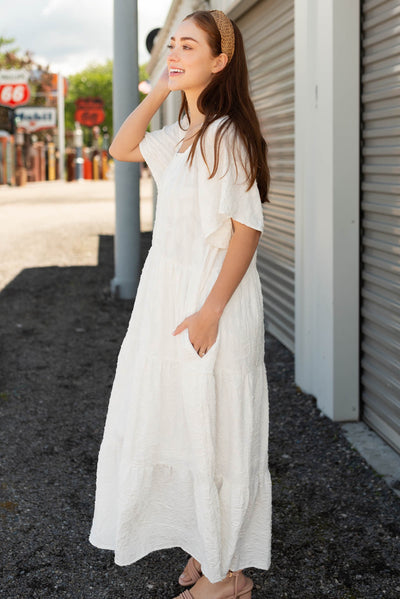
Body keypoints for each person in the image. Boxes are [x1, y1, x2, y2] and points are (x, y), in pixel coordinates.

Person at [89, 9, 272, 599]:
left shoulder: (228, 135)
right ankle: (210, 545)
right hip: (166, 291)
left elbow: (246, 228)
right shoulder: (183, 134)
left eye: (187, 46)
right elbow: (123, 147)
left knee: (216, 425)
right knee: (182, 421)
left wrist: (212, 310)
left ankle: (225, 578)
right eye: (172, 43)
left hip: (210, 296)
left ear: (219, 63)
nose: (174, 51)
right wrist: (161, 89)